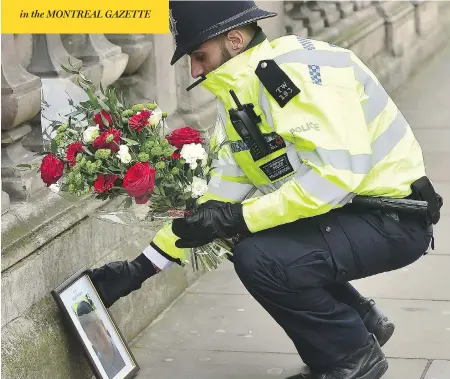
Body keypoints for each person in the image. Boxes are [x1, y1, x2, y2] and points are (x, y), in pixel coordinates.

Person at [88, 2, 443, 379]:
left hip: (394, 219)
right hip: (357, 212)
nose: (194, 70)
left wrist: (238, 217)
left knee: (260, 257)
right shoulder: (243, 89)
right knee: (236, 234)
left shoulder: (296, 75)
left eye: (198, 55)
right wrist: (142, 267)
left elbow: (335, 178)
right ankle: (359, 320)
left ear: (235, 40)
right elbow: (227, 187)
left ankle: (350, 360)